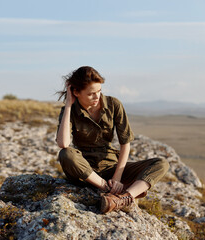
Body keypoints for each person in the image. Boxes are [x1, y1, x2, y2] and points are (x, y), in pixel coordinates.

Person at [56, 66, 169, 213]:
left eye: (99, 91)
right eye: (91, 94)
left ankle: (123, 198)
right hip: (85, 172)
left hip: (111, 166)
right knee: (66, 154)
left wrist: (117, 178)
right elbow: (63, 143)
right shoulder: (69, 111)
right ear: (76, 92)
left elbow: (125, 143)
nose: (97, 97)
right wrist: (69, 106)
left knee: (161, 163)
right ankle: (106, 188)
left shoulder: (113, 105)